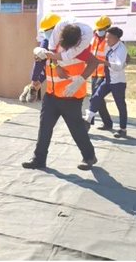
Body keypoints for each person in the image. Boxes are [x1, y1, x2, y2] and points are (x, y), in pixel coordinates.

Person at [22, 17, 98, 171]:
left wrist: (80, 81)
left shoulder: (80, 47)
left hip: (71, 96)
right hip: (51, 94)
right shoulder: (52, 42)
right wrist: (44, 57)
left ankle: (89, 156)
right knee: (44, 128)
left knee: (76, 129)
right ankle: (39, 159)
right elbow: (44, 56)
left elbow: (94, 62)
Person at [85, 26, 129, 138]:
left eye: (108, 38)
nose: (106, 40)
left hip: (118, 82)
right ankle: (87, 122)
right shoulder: (110, 47)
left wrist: (103, 63)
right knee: (96, 97)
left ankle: (123, 129)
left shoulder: (121, 49)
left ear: (116, 38)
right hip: (108, 79)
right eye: (106, 37)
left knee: (120, 105)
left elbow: (119, 66)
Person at [87, 16, 110, 97]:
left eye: (101, 29)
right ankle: (99, 110)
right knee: (96, 97)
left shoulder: (112, 40)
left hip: (105, 73)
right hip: (94, 72)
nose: (99, 31)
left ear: (108, 27)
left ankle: (92, 110)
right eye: (98, 29)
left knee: (96, 96)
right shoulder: (94, 37)